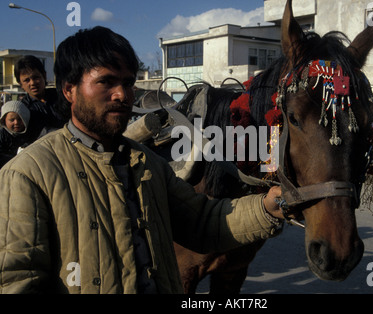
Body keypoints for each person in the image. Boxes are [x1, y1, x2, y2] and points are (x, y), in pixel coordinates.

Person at [0, 26, 285, 294]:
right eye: (106, 82)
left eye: (127, 82)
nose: (122, 95)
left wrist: (268, 206)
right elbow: (18, 279)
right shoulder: (28, 174)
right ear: (69, 89)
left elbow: (202, 222)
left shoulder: (147, 162)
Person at [14, 55, 66, 142]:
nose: (32, 83)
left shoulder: (62, 96)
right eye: (27, 80)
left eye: (36, 77)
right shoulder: (23, 109)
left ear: (44, 76)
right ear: (21, 84)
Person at [0, 100, 31, 167]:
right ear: (4, 120)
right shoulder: (2, 135)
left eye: (20, 119)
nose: (16, 122)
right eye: (12, 120)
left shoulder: (32, 134)